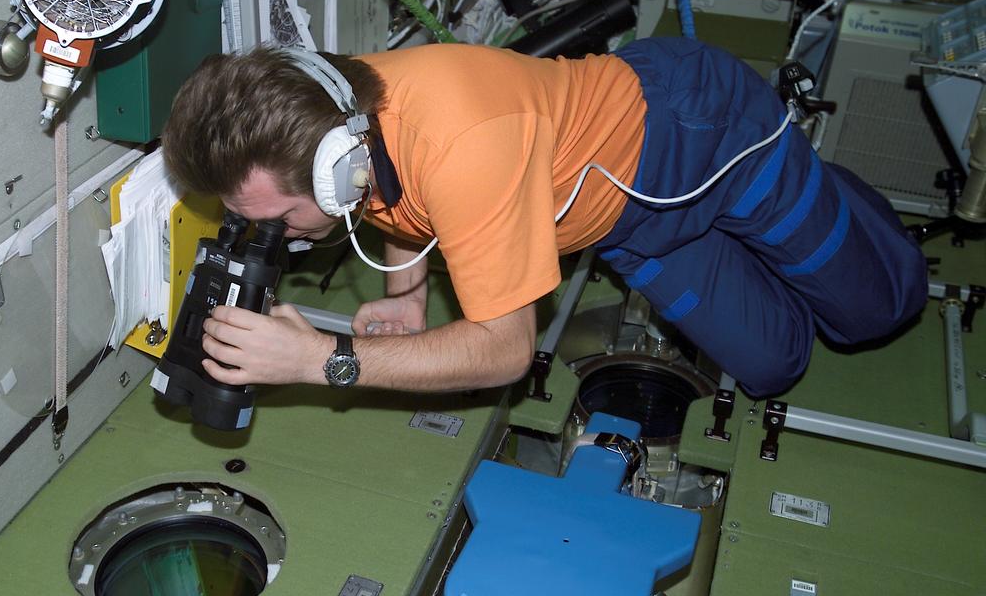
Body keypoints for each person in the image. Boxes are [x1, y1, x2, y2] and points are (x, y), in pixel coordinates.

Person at [159, 38, 928, 398]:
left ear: (331, 163)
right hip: (625, 217)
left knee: (876, 310)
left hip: (710, 136)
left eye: (283, 216)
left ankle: (824, 186)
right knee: (773, 365)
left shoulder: (466, 138)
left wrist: (319, 359)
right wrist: (408, 291)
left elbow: (502, 350)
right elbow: (393, 188)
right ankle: (794, 238)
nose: (281, 238)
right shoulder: (335, 113)